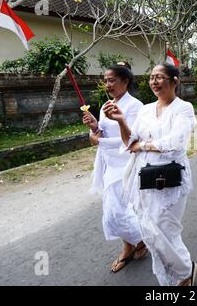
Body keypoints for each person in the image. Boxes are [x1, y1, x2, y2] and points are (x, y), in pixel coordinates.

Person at [103, 63, 197, 286]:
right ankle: (172, 275)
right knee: (149, 231)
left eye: (160, 77)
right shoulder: (145, 110)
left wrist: (143, 145)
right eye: (152, 77)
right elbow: (129, 142)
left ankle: (185, 272)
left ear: (175, 81)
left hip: (171, 179)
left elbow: (176, 142)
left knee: (166, 230)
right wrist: (121, 121)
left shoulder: (184, 108)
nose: (154, 81)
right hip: (145, 179)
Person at [83, 64, 148, 273]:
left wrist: (99, 141)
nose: (107, 85)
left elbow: (131, 140)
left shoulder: (136, 106)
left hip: (127, 165)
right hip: (109, 165)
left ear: (125, 81)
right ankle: (132, 244)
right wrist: (94, 127)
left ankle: (138, 242)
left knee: (124, 211)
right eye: (105, 80)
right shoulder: (106, 105)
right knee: (113, 212)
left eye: (111, 80)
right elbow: (102, 133)